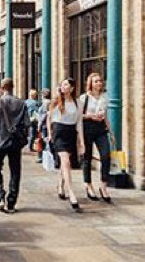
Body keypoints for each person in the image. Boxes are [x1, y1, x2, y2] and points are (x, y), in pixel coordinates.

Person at [0, 78, 29, 214]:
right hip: (16, 141)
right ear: (13, 86)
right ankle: (11, 202)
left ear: (1, 87)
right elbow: (27, 123)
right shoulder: (21, 103)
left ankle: (0, 197)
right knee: (15, 171)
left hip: (0, 141)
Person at [46, 78, 86, 212]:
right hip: (59, 132)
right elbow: (49, 117)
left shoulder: (78, 103)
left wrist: (81, 142)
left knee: (65, 163)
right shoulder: (56, 101)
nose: (64, 87)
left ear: (72, 88)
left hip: (71, 133)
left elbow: (79, 122)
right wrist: (50, 135)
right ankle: (71, 193)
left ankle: (60, 185)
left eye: (66, 84)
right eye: (62, 84)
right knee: (66, 162)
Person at [80, 73, 112, 203]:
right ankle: (88, 185)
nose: (99, 83)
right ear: (91, 84)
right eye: (96, 81)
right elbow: (78, 116)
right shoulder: (84, 98)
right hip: (87, 128)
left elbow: (105, 116)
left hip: (101, 129)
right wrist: (91, 116)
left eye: (100, 81)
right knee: (86, 158)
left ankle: (103, 186)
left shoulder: (105, 97)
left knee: (106, 156)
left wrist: (111, 132)